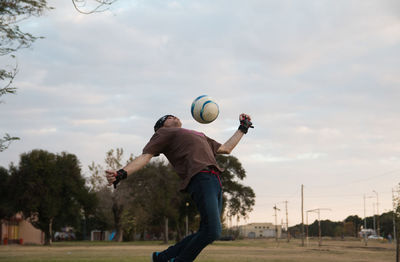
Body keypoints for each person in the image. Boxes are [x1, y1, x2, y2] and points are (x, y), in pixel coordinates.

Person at [106, 113, 253, 262]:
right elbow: (146, 156)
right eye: (169, 117)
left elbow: (226, 148)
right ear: (161, 126)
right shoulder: (163, 133)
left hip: (215, 180)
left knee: (207, 230)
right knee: (213, 231)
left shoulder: (197, 134)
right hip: (200, 178)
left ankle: (162, 257)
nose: (174, 117)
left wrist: (243, 128)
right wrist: (121, 173)